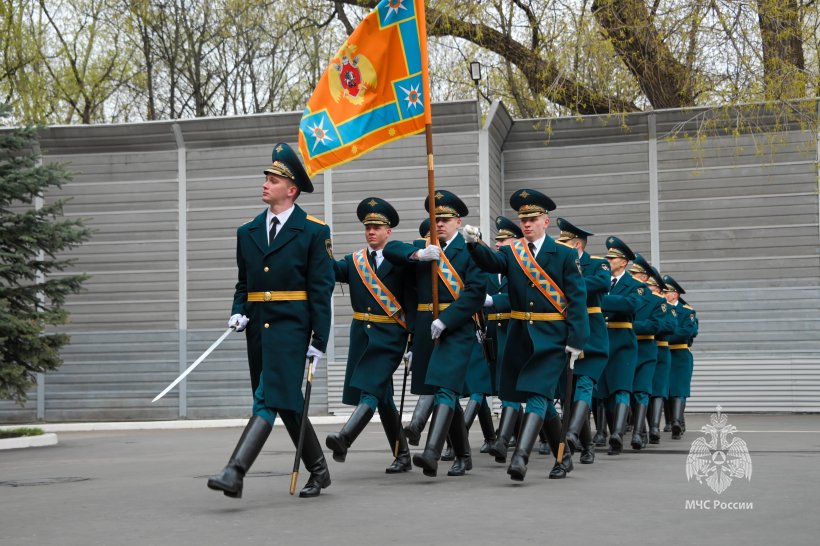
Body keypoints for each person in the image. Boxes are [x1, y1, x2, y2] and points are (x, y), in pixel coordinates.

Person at [207, 142, 335, 499]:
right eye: (266, 176)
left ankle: (235, 471)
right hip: (258, 329)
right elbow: (244, 284)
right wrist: (238, 310)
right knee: (287, 401)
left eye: (274, 179)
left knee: (266, 399)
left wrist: (319, 339)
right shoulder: (246, 232)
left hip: (293, 329)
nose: (266, 182)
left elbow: (320, 289)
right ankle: (320, 471)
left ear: (291, 189)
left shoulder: (313, 231)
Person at [464, 189, 588, 481]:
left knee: (535, 394)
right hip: (521, 335)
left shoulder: (565, 254)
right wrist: (474, 244)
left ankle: (520, 457)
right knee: (542, 398)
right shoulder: (512, 251)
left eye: (533, 219)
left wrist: (576, 341)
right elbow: (490, 262)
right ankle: (564, 457)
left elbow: (577, 300)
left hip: (552, 336)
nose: (527, 225)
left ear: (546, 221)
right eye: (523, 220)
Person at [383, 190, 487, 478]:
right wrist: (417, 254)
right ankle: (464, 456)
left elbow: (476, 293)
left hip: (456, 328)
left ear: (458, 221)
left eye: (445, 219)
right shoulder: (425, 248)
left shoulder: (471, 250)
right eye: (435, 219)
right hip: (428, 328)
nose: (439, 224)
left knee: (444, 387)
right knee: (444, 391)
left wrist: (448, 320)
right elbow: (391, 250)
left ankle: (431, 451)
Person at [325, 197, 416, 474]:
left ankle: (345, 438)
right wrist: (317, 250)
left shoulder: (401, 260)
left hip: (390, 336)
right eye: (368, 227)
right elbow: (329, 272)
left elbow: (412, 300)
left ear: (389, 231)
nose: (371, 232)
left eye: (377, 227)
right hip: (362, 336)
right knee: (383, 397)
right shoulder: (355, 261)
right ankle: (403, 456)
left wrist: (413, 339)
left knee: (371, 390)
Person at [554, 218, 611, 466]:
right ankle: (587, 445)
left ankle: (570, 435)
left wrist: (570, 281)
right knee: (571, 388)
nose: (559, 246)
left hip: (593, 334)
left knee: (585, 384)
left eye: (564, 243)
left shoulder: (598, 264)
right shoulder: (558, 264)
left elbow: (601, 284)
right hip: (568, 330)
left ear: (576, 245)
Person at [596, 236, 643, 455]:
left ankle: (617, 433)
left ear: (623, 262)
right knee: (604, 391)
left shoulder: (635, 285)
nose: (608, 261)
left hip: (623, 340)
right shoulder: (602, 280)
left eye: (612, 258)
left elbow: (630, 304)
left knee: (622, 388)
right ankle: (611, 430)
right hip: (603, 340)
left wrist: (600, 302)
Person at [626, 254, 665, 450]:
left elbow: (655, 325)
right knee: (629, 391)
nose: (630, 276)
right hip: (627, 349)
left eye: (635, 273)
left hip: (646, 349)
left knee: (641, 390)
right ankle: (638, 428)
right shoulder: (626, 294)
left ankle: (638, 433)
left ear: (643, 277)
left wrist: (630, 326)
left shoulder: (656, 301)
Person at [663, 275, 698, 439]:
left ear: (675, 294)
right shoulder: (661, 309)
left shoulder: (687, 311)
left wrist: (665, 335)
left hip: (680, 354)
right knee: (667, 389)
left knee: (679, 389)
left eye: (667, 292)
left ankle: (676, 421)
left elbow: (687, 332)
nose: (664, 294)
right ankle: (672, 421)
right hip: (664, 353)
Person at [645, 266, 676, 444]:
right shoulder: (644, 301)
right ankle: (641, 428)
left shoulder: (663, 305)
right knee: (643, 390)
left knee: (657, 390)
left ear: (657, 288)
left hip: (660, 348)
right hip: (644, 347)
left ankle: (654, 427)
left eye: (650, 286)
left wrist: (651, 326)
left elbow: (670, 327)